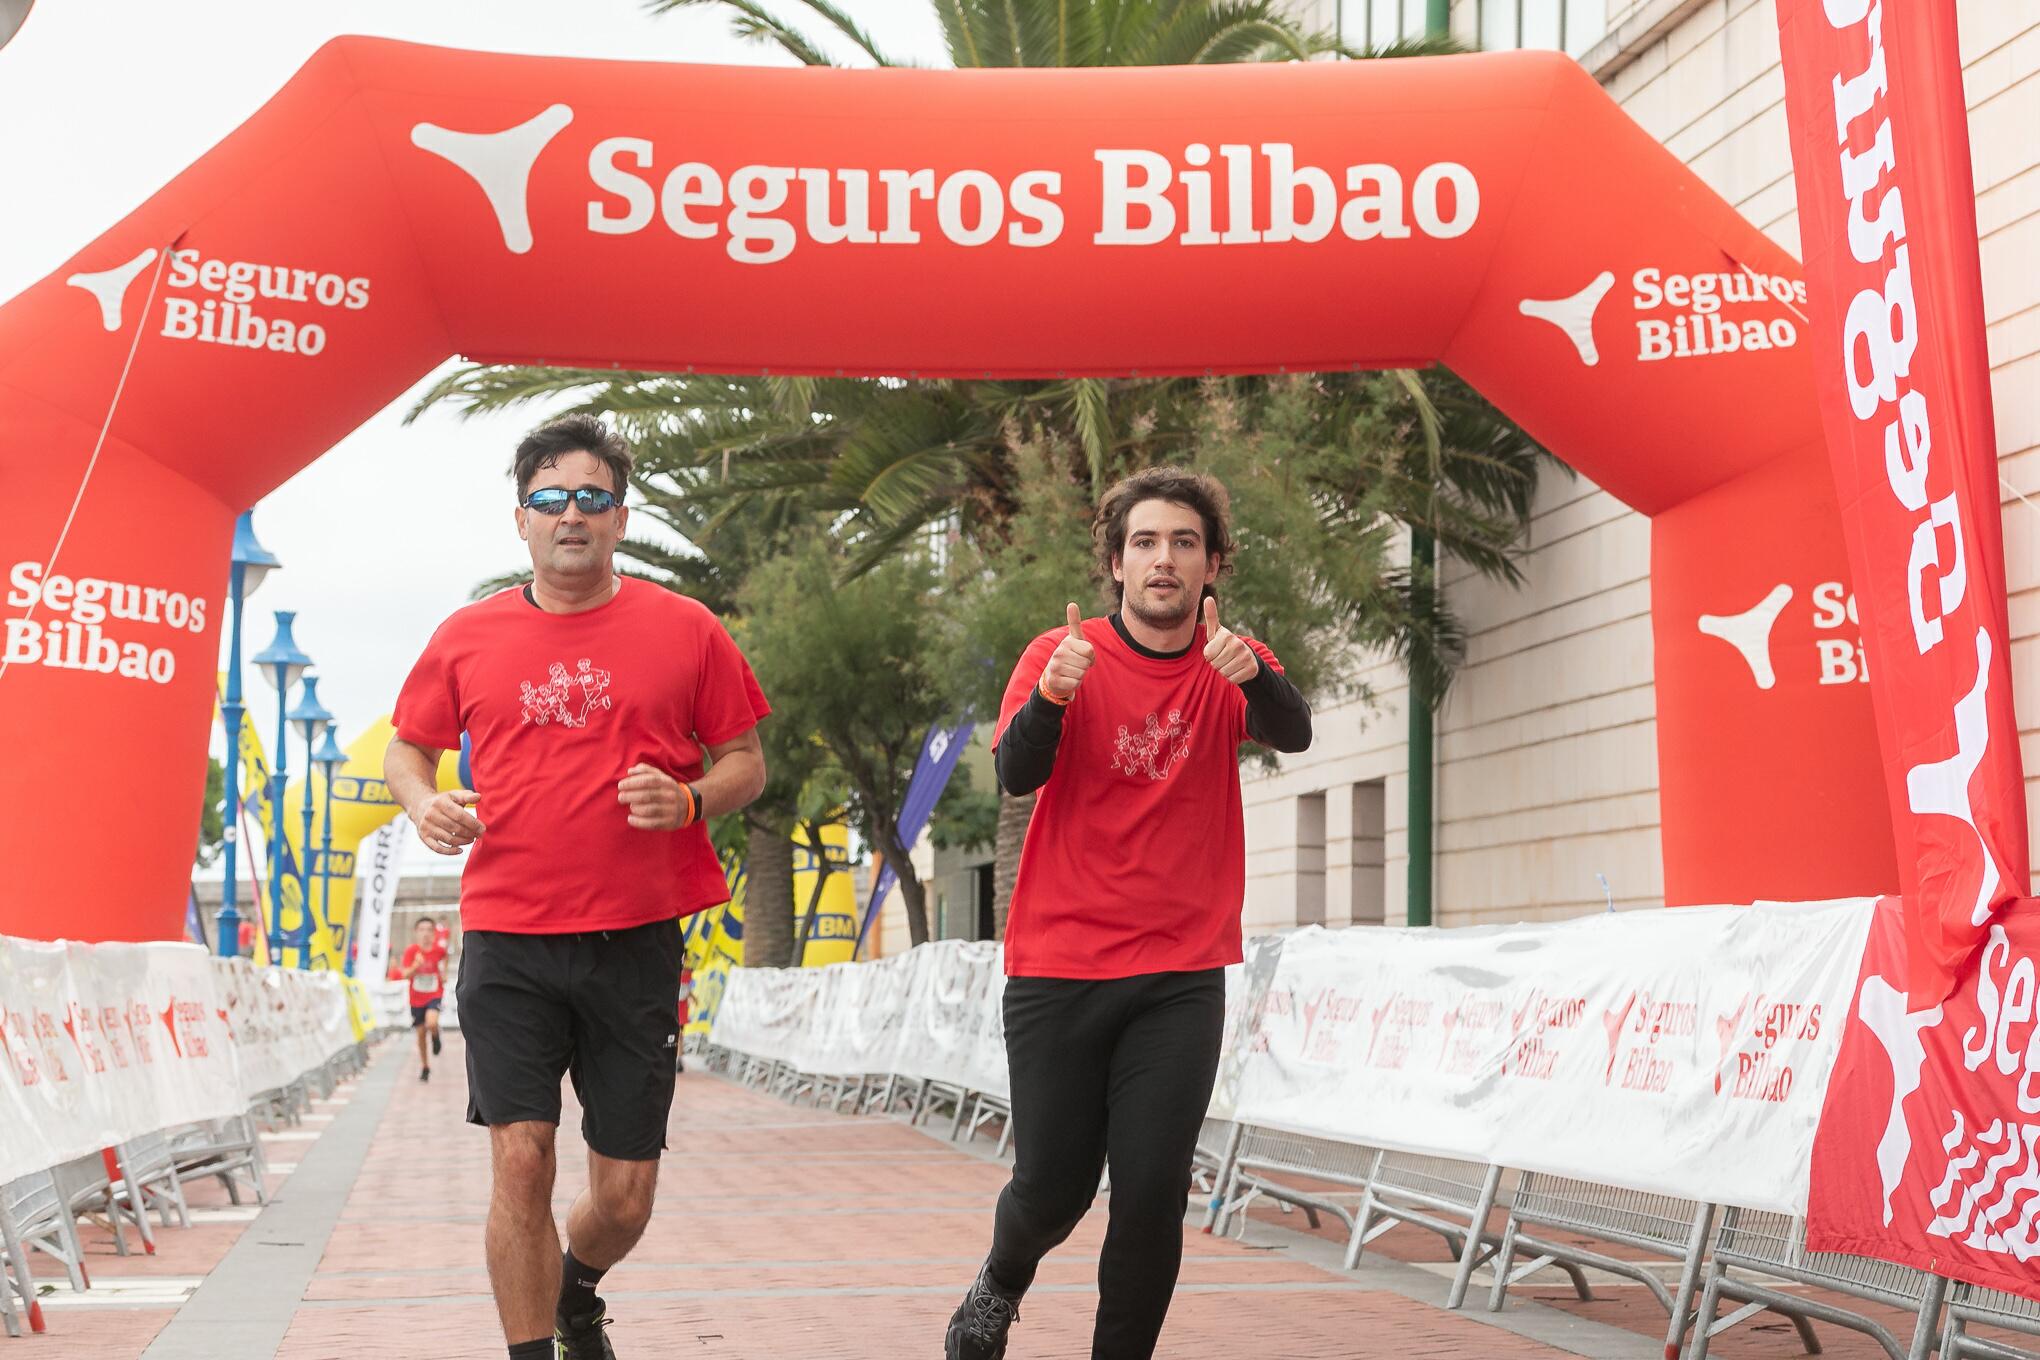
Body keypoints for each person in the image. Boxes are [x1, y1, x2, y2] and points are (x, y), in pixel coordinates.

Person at [384, 414, 770, 1360]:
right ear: (521, 519)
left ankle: (576, 1287)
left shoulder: (687, 629)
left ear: (619, 519)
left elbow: (747, 762)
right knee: (520, 1159)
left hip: (634, 940)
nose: (571, 516)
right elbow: (407, 749)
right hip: (509, 938)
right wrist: (423, 803)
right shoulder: (467, 637)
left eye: (591, 499)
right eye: (550, 500)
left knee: (624, 1198)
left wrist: (688, 800)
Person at [946, 467, 1312, 1360]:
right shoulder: (1057, 655)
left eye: (1184, 543)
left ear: (1212, 563)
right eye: (1145, 543)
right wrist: (1052, 697)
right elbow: (1017, 773)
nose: (1163, 560)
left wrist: (1255, 676)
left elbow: (1295, 731)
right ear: (1115, 563)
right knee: (1054, 1189)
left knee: (1151, 1193)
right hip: (1060, 966)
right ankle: (1001, 1278)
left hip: (1180, 974)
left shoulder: (1230, 658)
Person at [398, 916, 449, 1082]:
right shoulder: (411, 951)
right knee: (420, 1034)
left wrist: (444, 973)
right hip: (416, 998)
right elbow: (404, 974)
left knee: (432, 1022)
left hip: (434, 993)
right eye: (422, 930)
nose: (425, 933)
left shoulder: (438, 950)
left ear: (434, 933)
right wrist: (415, 965)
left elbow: (445, 958)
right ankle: (425, 1066)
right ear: (416, 932)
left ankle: (435, 1036)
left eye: (429, 930)